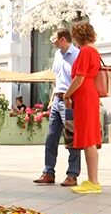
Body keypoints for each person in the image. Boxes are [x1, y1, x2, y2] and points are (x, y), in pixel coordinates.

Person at [33, 29, 83, 187]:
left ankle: (72, 174)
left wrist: (68, 96)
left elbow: (78, 79)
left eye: (54, 38)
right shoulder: (57, 55)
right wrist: (52, 98)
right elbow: (57, 78)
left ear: (62, 39)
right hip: (57, 99)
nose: (51, 41)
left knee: (71, 139)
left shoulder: (77, 55)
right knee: (51, 137)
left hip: (70, 100)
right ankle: (48, 172)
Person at [66, 20, 104, 194]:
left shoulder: (85, 52)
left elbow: (79, 78)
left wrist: (67, 94)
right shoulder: (94, 51)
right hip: (90, 94)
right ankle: (92, 180)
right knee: (90, 139)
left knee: (88, 139)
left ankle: (93, 181)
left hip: (84, 95)